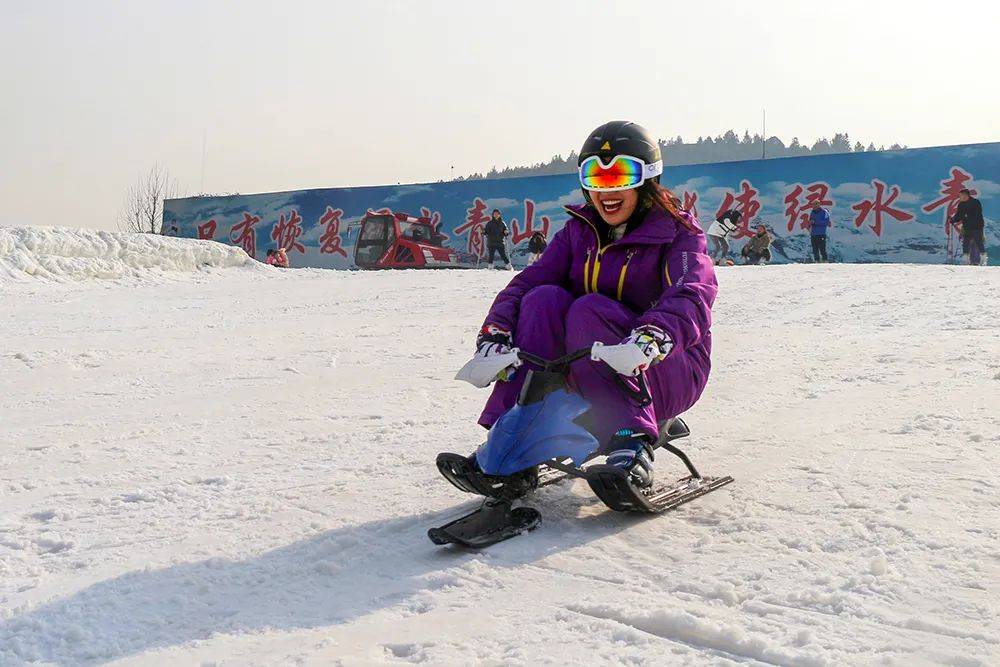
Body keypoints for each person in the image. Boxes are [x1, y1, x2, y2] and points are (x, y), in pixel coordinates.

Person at [466, 121, 717, 488]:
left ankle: (632, 442)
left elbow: (692, 292)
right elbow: (526, 284)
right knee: (542, 300)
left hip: (664, 366)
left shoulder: (678, 234)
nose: (608, 190)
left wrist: (652, 337)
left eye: (621, 174)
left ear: (646, 178)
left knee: (589, 309)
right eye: (596, 178)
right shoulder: (578, 233)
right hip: (587, 370)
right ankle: (516, 437)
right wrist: (496, 333)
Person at [950, 189, 986, 265]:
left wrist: (966, 215)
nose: (960, 197)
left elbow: (977, 213)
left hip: (977, 226)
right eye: (959, 196)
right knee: (965, 243)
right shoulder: (961, 204)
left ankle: (983, 259)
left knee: (979, 242)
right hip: (967, 227)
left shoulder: (975, 202)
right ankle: (965, 260)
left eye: (961, 195)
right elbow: (958, 215)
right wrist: (953, 219)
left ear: (966, 195)